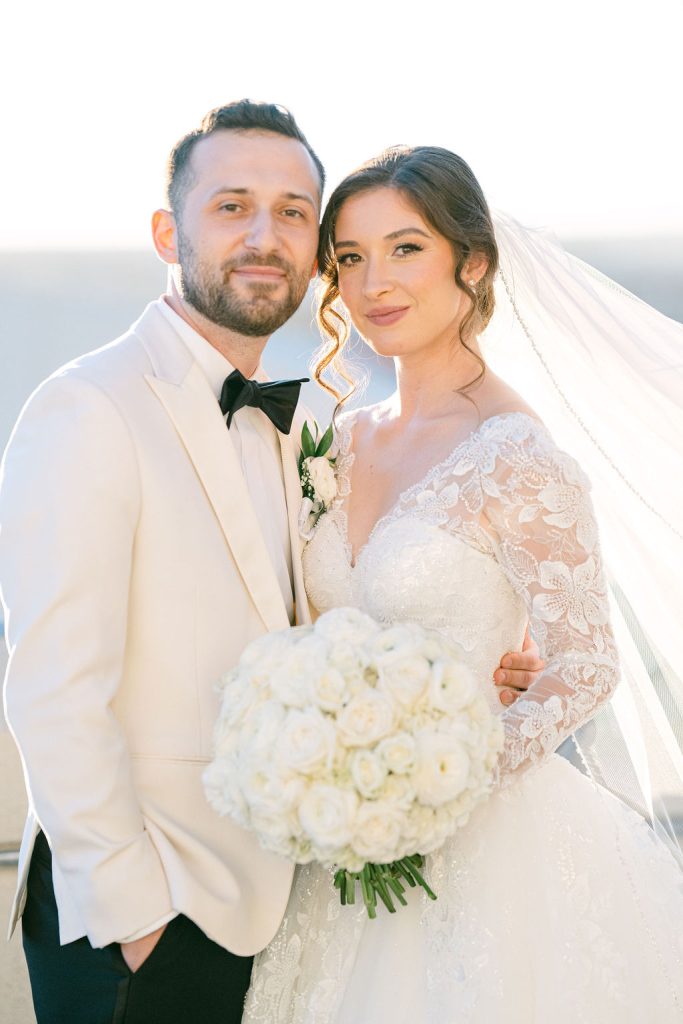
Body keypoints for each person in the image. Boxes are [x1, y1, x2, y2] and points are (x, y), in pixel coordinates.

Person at [0, 106, 540, 1023]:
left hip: (276, 909)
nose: (265, 236)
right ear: (169, 232)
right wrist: (136, 914)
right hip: (141, 921)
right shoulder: (89, 406)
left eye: (293, 212)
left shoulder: (299, 436)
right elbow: (50, 684)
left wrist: (455, 676)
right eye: (233, 206)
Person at [243, 146, 683, 1023]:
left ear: (470, 262)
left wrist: (431, 791)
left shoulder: (514, 452)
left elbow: (585, 663)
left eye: (406, 248)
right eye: (351, 258)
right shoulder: (342, 440)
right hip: (337, 841)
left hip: (485, 840)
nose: (375, 283)